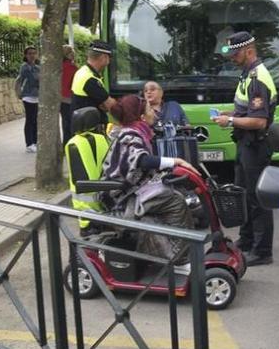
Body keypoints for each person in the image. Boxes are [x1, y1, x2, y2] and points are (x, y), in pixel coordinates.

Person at [101, 95, 197, 262]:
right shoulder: (130, 134)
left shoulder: (137, 132)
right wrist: (176, 161)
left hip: (132, 190)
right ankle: (179, 257)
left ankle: (179, 249)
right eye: (150, 109)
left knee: (173, 194)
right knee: (176, 201)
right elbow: (141, 160)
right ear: (142, 117)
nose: (155, 112)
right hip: (121, 198)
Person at [212, 31, 277, 267]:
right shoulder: (247, 74)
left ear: (249, 50)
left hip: (256, 145)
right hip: (245, 144)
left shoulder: (258, 78)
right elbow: (249, 111)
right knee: (243, 194)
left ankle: (262, 250)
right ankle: (247, 239)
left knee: (257, 198)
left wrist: (229, 122)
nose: (232, 57)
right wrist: (230, 115)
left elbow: (259, 121)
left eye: (235, 53)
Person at [65, 107, 109, 238]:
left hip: (86, 214)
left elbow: (78, 179)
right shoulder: (102, 139)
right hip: (105, 204)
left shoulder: (73, 144)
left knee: (86, 252)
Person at [71, 41, 117, 119]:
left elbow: (103, 104)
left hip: (83, 126)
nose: (109, 62)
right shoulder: (90, 79)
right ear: (104, 58)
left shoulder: (83, 72)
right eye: (109, 58)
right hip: (92, 129)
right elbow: (110, 105)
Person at [19, 46, 40, 152]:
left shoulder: (37, 67)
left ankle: (35, 142)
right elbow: (33, 80)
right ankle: (29, 144)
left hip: (36, 96)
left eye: (34, 53)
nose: (32, 55)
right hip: (28, 96)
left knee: (35, 120)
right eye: (30, 53)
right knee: (30, 119)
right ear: (26, 55)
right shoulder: (25, 67)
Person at [61, 44, 77, 145]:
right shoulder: (72, 67)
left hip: (61, 98)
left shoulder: (58, 67)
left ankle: (66, 144)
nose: (73, 54)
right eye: (70, 52)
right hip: (70, 98)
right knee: (71, 123)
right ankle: (70, 144)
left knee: (65, 123)